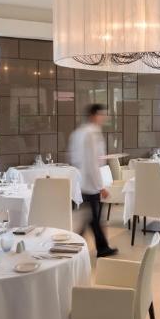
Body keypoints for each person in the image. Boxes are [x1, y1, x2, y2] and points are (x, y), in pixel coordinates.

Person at [68, 103, 118, 258]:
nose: (103, 117)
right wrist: (100, 186)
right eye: (101, 114)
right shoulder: (91, 133)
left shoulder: (78, 132)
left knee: (91, 217)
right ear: (93, 115)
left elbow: (75, 157)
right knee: (94, 217)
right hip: (90, 182)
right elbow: (91, 162)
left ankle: (77, 245)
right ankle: (98, 248)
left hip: (82, 180)